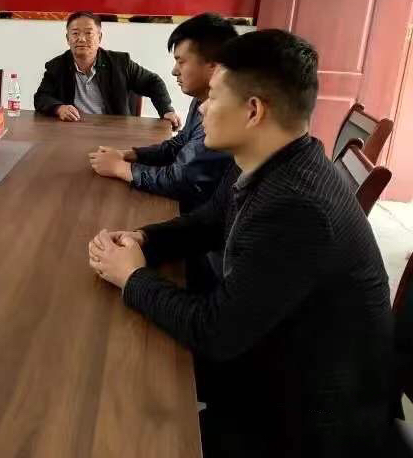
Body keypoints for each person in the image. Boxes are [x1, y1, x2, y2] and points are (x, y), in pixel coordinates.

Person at [87, 30, 404, 457]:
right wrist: (144, 238)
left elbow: (215, 332)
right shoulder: (268, 158)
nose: (202, 106)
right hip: (270, 357)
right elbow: (209, 222)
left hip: (309, 420)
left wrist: (132, 276)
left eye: (214, 97)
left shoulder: (297, 206)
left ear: (253, 111)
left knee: (121, 411)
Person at [88, 13, 236, 213]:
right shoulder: (201, 99)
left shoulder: (225, 114)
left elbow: (181, 180)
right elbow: (180, 142)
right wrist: (131, 155)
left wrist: (121, 168)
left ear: (214, 64)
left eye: (181, 62)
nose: (174, 71)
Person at [33, 11, 181, 128]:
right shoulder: (57, 66)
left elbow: (153, 82)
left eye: (88, 33)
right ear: (67, 38)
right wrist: (58, 108)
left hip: (114, 131)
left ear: (100, 37)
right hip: (73, 130)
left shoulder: (120, 63)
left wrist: (166, 110)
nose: (81, 39)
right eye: (75, 33)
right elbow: (41, 98)